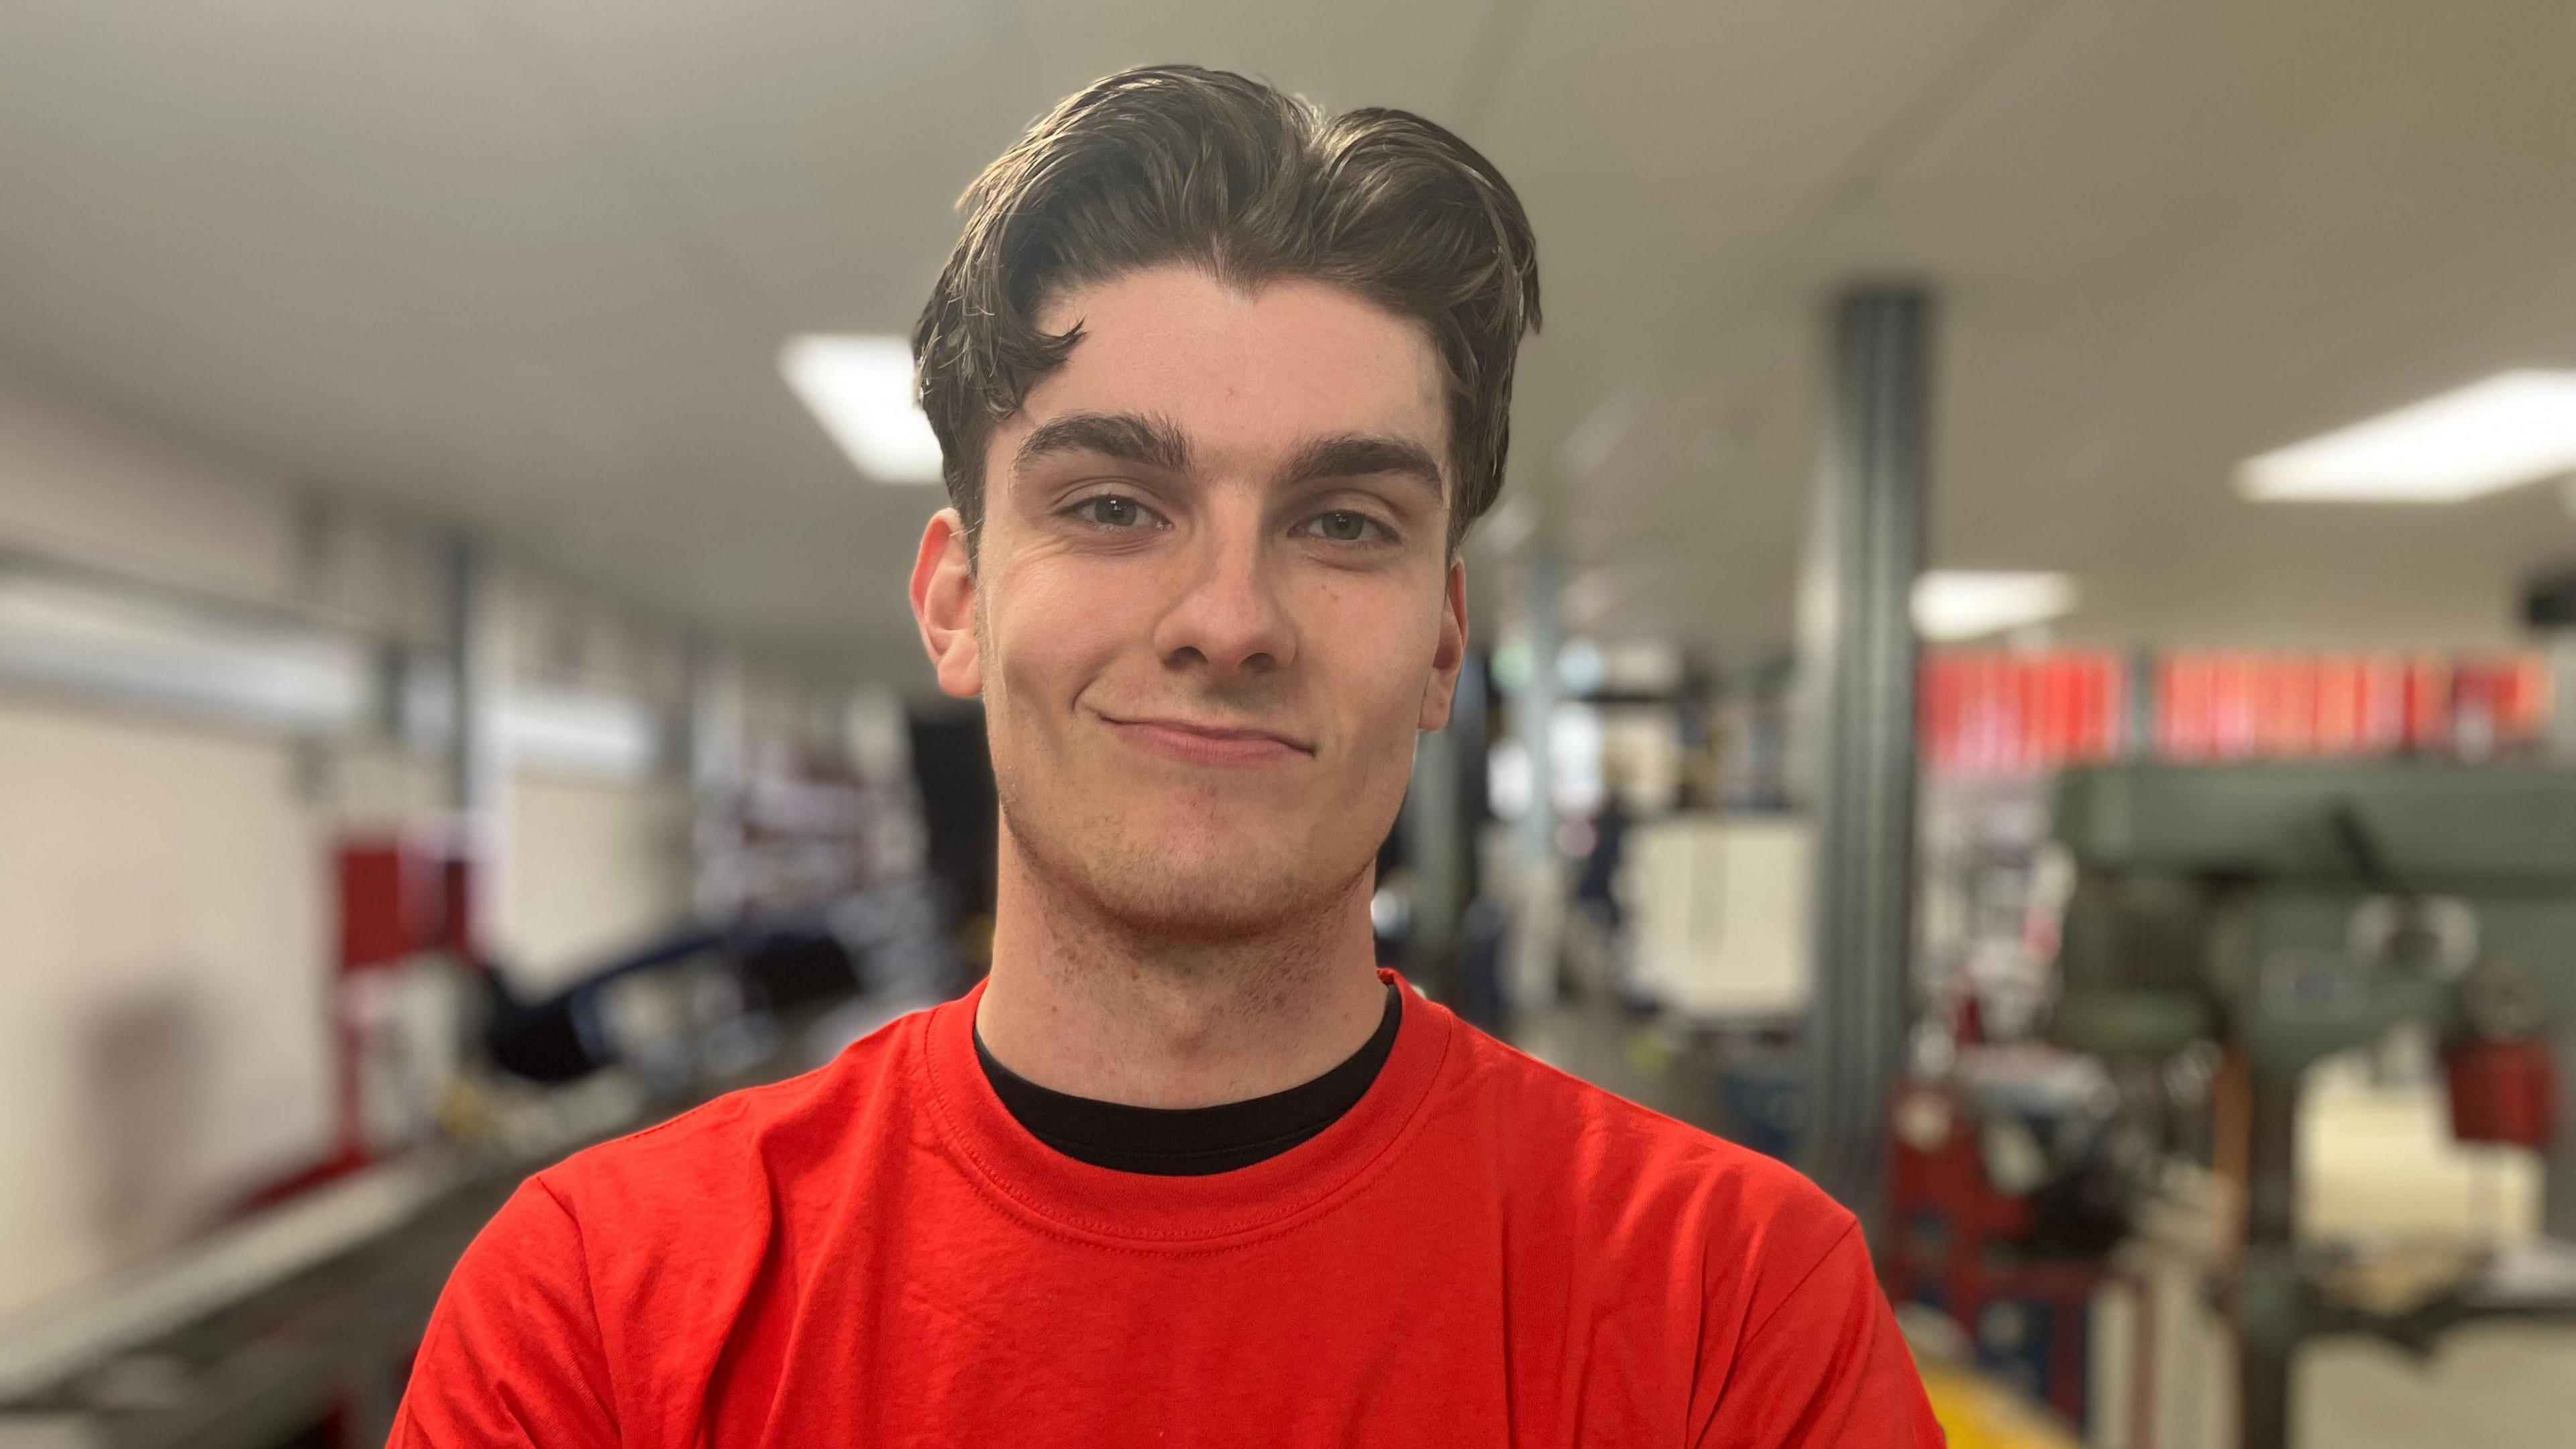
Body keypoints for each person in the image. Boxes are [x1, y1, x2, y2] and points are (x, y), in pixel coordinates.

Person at [390, 64, 1940, 1447]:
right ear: (956, 602)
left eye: (1344, 523)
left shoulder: (1734, 1313)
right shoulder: (598, 1312)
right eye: (1114, 504)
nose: (1228, 620)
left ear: (1444, 649)